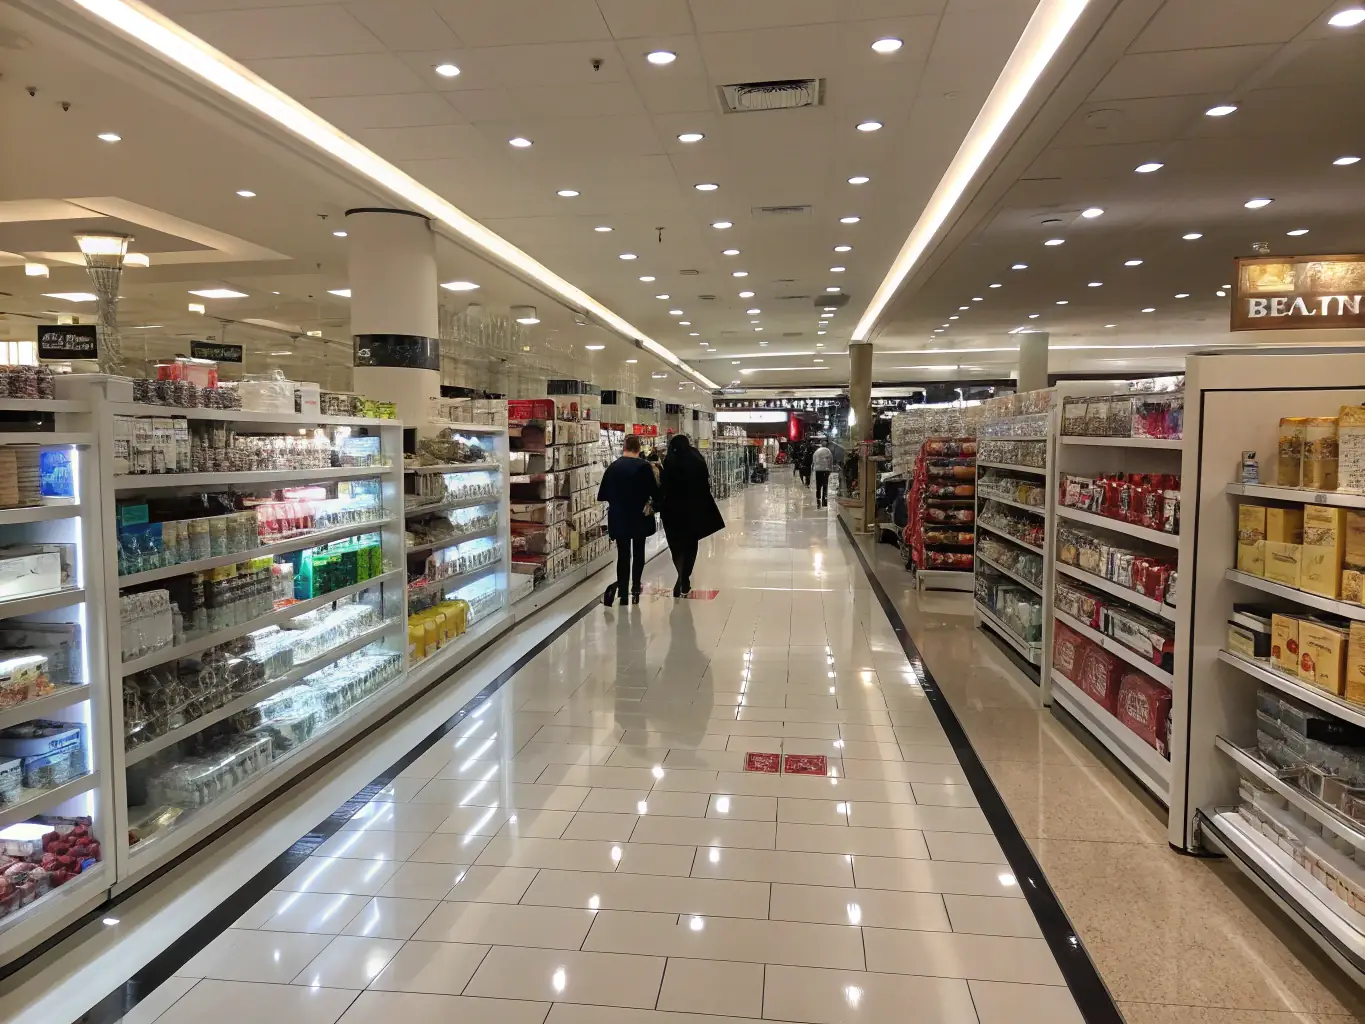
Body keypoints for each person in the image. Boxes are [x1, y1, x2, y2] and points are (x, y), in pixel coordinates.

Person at [597, 433, 661, 606]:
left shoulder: (613, 467)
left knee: (623, 555)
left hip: (619, 517)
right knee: (638, 552)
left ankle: (623, 594)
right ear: (639, 449)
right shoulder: (644, 467)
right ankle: (635, 589)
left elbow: (602, 495)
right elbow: (656, 493)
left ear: (624, 448)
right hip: (639, 516)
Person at [660, 433, 725, 597]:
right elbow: (705, 482)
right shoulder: (697, 458)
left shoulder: (670, 460)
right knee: (690, 544)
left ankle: (681, 576)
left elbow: (666, 486)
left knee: (676, 545)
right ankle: (685, 578)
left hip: (673, 510)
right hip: (694, 509)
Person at [812, 442, 834, 507]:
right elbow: (831, 461)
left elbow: (814, 460)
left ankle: (818, 497)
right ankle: (824, 497)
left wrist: (815, 467)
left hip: (818, 470)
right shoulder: (828, 451)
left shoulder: (817, 451)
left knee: (818, 485)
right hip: (825, 470)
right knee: (825, 484)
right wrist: (830, 469)